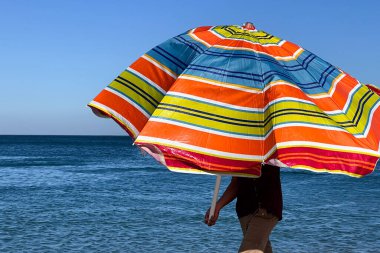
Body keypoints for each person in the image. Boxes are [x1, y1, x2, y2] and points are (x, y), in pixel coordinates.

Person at [204, 164, 283, 253]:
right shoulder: (238, 152)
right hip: (245, 212)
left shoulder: (270, 151)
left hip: (265, 209)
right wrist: (217, 206)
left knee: (249, 250)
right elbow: (236, 182)